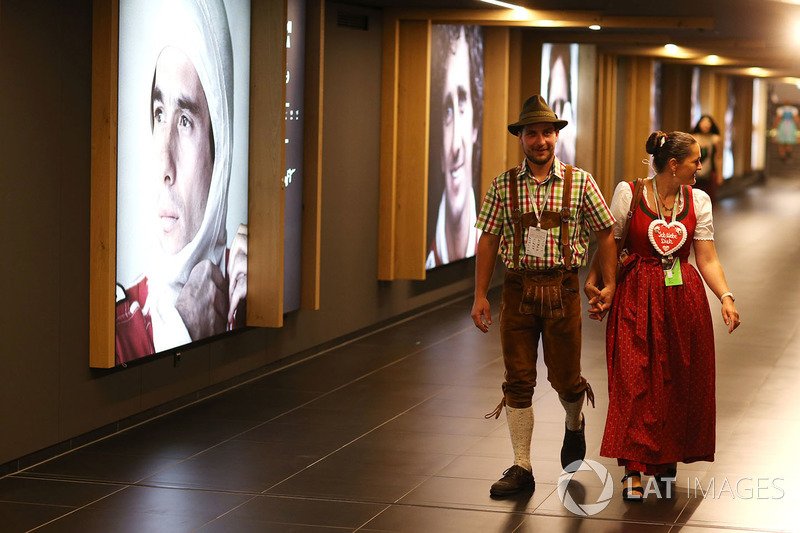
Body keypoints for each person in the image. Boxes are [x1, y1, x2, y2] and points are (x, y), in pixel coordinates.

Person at [471, 95, 618, 497]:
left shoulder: (580, 182)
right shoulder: (504, 184)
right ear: (521, 138)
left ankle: (574, 423)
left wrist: (609, 284)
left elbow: (605, 232)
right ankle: (522, 466)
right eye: (532, 133)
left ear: (557, 136)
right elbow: (488, 240)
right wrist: (480, 294)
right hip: (518, 289)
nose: (540, 140)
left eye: (547, 132)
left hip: (564, 289)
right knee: (518, 378)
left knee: (565, 378)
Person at [586, 131, 741, 501]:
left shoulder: (697, 200)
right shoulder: (631, 193)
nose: (700, 167)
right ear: (674, 164)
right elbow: (612, 242)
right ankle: (634, 469)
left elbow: (706, 256)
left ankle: (666, 457)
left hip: (681, 299)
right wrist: (599, 283)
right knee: (633, 378)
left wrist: (726, 296)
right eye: (695, 161)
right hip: (636, 293)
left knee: (676, 378)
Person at [115, 0, 247, 364]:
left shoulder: (250, 296)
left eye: (185, 121)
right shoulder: (116, 334)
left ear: (220, 152)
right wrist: (181, 329)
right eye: (159, 114)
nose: (164, 165)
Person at [426, 25, 484, 269]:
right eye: (447, 111)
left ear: (475, 126)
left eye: (462, 102)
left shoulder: (492, 244)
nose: (455, 146)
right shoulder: (429, 256)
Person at [691, 115, 722, 203]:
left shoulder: (715, 139)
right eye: (703, 122)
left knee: (708, 199)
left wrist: (719, 175)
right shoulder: (693, 138)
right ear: (699, 124)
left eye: (708, 122)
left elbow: (718, 157)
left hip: (710, 174)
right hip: (694, 174)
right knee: (694, 199)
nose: (706, 125)